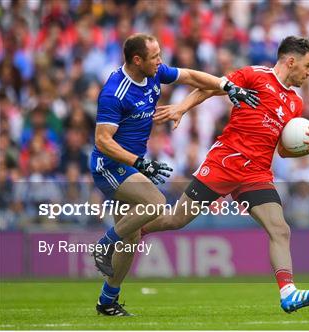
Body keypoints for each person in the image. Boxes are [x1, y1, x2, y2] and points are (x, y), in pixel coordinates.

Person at [144, 36, 309, 313]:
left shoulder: (295, 104)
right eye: (308, 65)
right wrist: (181, 107)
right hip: (226, 162)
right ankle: (130, 230)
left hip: (256, 173)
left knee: (280, 229)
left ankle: (288, 293)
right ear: (291, 61)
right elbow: (211, 87)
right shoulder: (255, 75)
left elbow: (284, 151)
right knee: (175, 219)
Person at [91, 33, 259, 316]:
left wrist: (227, 86)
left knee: (131, 237)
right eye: (155, 57)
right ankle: (105, 244)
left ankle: (107, 300)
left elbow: (192, 76)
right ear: (137, 60)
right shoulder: (114, 92)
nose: (160, 61)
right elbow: (102, 141)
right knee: (155, 204)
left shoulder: (155, 73)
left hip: (130, 165)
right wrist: (140, 163)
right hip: (109, 167)